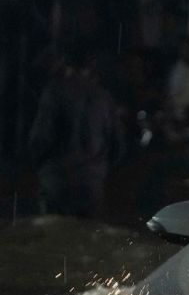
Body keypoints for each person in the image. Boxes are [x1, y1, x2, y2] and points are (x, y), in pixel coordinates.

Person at [27, 44, 123, 218]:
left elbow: (41, 139)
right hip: (91, 183)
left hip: (57, 179)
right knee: (87, 239)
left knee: (54, 238)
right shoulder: (103, 96)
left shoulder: (55, 92)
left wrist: (35, 166)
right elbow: (117, 145)